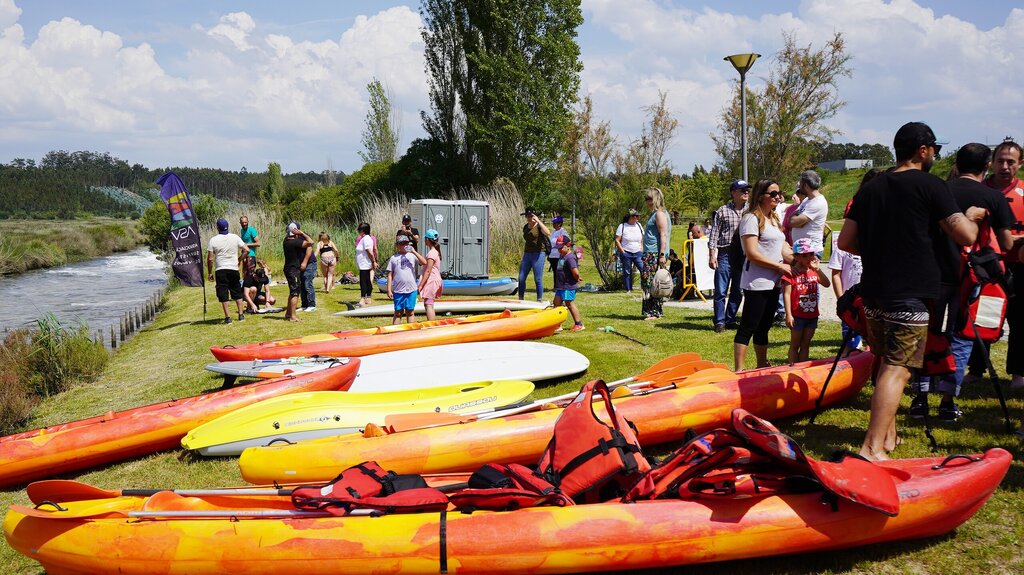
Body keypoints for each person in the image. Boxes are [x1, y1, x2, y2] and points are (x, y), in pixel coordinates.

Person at [840, 121, 980, 461]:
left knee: (886, 361)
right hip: (909, 292)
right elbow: (966, 236)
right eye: (935, 149)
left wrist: (880, 251)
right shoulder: (931, 185)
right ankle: (872, 448)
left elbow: (846, 241)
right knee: (898, 369)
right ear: (923, 150)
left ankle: (887, 436)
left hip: (872, 291)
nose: (936, 155)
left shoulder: (871, 188)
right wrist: (971, 216)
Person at [910, 143, 1016, 422]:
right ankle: (947, 401)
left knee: (926, 336)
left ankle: (920, 398)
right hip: (969, 277)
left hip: (932, 275)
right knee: (961, 338)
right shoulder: (992, 197)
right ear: (987, 166)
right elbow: (1005, 243)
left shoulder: (938, 192)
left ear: (957, 163)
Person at [733, 179, 792, 371]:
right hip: (757, 282)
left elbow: (781, 248)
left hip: (773, 282)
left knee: (764, 326)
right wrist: (779, 266)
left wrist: (799, 261)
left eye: (779, 193)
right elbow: (751, 253)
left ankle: (761, 364)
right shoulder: (751, 219)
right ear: (760, 196)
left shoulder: (773, 219)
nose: (778, 197)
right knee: (748, 326)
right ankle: (739, 370)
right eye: (773, 194)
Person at [984, 141, 1024, 391]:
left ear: (1020, 164)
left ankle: (1019, 372)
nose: (1005, 166)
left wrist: (1013, 240)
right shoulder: (981, 190)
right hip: (987, 265)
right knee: (983, 318)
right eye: (1000, 160)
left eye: (1011, 161)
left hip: (1019, 267)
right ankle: (977, 368)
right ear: (992, 162)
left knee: (1020, 321)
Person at [828, 170, 880, 353]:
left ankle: (868, 353)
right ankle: (851, 353)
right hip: (856, 292)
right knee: (853, 331)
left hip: (875, 287)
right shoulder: (858, 203)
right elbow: (843, 245)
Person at [708, 180, 749, 332]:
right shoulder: (723, 211)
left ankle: (730, 320)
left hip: (743, 254)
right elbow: (714, 234)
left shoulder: (751, 210)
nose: (746, 192)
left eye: (747, 190)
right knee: (721, 290)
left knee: (738, 290)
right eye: (742, 189)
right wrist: (712, 255)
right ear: (733, 193)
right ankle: (719, 321)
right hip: (725, 253)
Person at [782, 238, 830, 365]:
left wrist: (818, 269)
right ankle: (792, 367)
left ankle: (803, 368)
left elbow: (827, 284)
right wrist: (788, 314)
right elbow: (786, 294)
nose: (809, 257)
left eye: (811, 254)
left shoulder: (813, 271)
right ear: (796, 257)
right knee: (795, 344)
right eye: (804, 255)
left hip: (812, 315)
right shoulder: (791, 273)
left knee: (806, 344)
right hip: (797, 315)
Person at [206, 218, 249, 324]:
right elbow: (246, 250)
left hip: (221, 269)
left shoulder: (213, 240)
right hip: (233, 268)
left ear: (217, 227)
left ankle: (228, 317)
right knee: (237, 291)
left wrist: (210, 272)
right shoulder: (234, 237)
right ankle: (241, 315)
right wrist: (239, 259)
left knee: (223, 293)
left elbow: (210, 259)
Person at [641, 187, 672, 320]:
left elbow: (663, 235)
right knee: (650, 283)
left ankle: (654, 312)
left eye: (649, 199)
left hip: (654, 254)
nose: (647, 202)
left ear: (656, 199)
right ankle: (653, 310)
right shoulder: (654, 214)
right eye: (646, 199)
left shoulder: (659, 214)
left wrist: (661, 255)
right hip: (650, 253)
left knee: (652, 283)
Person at [386, 235, 427, 324]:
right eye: (401, 243)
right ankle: (395, 332)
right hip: (398, 290)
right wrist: (389, 290)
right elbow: (390, 275)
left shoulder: (412, 256)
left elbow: (424, 262)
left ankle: (410, 332)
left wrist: (414, 252)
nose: (404, 245)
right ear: (397, 245)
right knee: (398, 312)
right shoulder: (393, 258)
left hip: (411, 289)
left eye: (406, 243)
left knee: (410, 312)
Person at [787, 170, 828, 256]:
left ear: (805, 185)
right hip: (802, 250)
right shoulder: (806, 200)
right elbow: (791, 220)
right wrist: (796, 219)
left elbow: (793, 222)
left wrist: (795, 218)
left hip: (811, 252)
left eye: (800, 183)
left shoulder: (818, 202)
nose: (799, 186)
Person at [282, 222, 313, 322]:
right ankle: (293, 316)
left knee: (292, 292)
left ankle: (288, 314)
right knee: (295, 293)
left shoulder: (286, 241)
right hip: (293, 270)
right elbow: (311, 242)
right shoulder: (294, 242)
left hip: (288, 268)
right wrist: (302, 233)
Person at [518, 207, 550, 301]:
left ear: (535, 216)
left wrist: (538, 221)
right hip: (527, 254)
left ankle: (539, 300)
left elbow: (547, 233)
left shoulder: (539, 226)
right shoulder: (525, 227)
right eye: (527, 216)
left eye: (531, 216)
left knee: (538, 279)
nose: (529, 218)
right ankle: (520, 299)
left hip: (539, 254)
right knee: (521, 278)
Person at [553, 236, 584, 331]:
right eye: (558, 248)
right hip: (560, 286)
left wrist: (577, 278)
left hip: (568, 286)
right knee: (556, 303)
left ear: (568, 246)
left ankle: (579, 324)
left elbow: (575, 272)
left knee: (569, 303)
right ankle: (558, 325)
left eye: (561, 247)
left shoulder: (570, 258)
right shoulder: (562, 255)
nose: (559, 250)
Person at [615, 209, 644, 293]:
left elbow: (642, 238)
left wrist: (641, 249)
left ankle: (645, 287)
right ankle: (628, 289)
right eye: (635, 216)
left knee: (643, 269)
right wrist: (623, 252)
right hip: (626, 252)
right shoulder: (622, 226)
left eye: (638, 216)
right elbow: (617, 240)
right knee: (627, 271)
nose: (637, 218)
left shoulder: (639, 225)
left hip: (638, 252)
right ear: (630, 217)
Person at [417, 229, 444, 321]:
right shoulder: (435, 251)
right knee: (429, 303)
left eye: (425, 238)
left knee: (428, 304)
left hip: (431, 280)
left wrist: (420, 285)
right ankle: (432, 324)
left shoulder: (431, 253)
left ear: (428, 240)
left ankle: (431, 326)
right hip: (434, 279)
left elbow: (428, 271)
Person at [293, 222, 317, 312]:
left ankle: (312, 305)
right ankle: (304, 305)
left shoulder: (303, 237)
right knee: (302, 284)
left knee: (307, 283)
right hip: (300, 264)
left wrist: (304, 262)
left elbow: (310, 246)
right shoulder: (292, 239)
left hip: (310, 263)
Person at [354, 222, 378, 307]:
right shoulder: (365, 239)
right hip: (363, 264)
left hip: (365, 264)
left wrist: (373, 261)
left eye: (359, 230)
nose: (358, 232)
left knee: (363, 281)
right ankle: (368, 297)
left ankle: (363, 298)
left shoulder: (366, 239)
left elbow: (369, 252)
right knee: (367, 280)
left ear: (363, 231)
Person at [548, 215, 568, 283]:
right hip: (552, 255)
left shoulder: (563, 232)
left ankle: (561, 284)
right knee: (554, 271)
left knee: (560, 271)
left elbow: (566, 241)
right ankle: (556, 285)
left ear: (559, 224)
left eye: (555, 223)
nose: (553, 224)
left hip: (559, 255)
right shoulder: (553, 231)